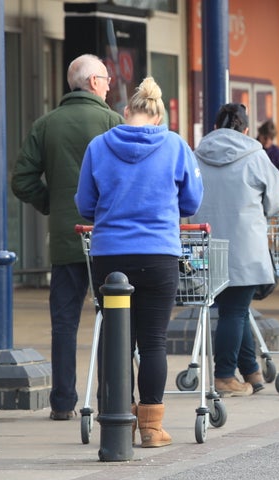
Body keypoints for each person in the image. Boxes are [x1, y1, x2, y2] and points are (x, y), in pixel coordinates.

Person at [74, 77, 204, 447]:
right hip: (159, 254)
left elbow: (85, 204)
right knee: (152, 343)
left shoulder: (99, 146)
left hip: (109, 255)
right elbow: (191, 203)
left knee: (116, 340)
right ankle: (151, 427)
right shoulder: (176, 146)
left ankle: (117, 419)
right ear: (159, 116)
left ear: (125, 112)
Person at [11, 54, 124, 421]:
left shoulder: (46, 124)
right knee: (113, 317)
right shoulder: (112, 123)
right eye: (106, 78)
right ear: (93, 83)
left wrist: (56, 206)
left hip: (64, 238)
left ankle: (62, 403)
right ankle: (111, 399)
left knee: (64, 324)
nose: (109, 85)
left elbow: (22, 180)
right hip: (106, 238)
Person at [191, 103, 279, 396]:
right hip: (246, 248)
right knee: (234, 311)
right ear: (245, 130)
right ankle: (224, 376)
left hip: (207, 247)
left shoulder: (196, 155)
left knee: (237, 309)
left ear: (216, 128)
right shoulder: (256, 156)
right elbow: (275, 203)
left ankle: (251, 373)